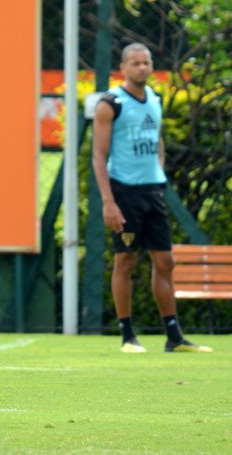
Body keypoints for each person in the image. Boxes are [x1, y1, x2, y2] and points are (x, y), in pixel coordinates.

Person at [92, 42, 212, 354]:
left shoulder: (155, 100)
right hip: (125, 196)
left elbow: (156, 139)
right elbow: (98, 155)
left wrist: (157, 170)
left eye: (146, 62)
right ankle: (127, 336)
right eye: (135, 63)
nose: (142, 68)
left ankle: (174, 337)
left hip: (152, 194)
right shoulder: (111, 103)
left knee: (165, 261)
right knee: (127, 259)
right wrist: (109, 201)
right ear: (123, 67)